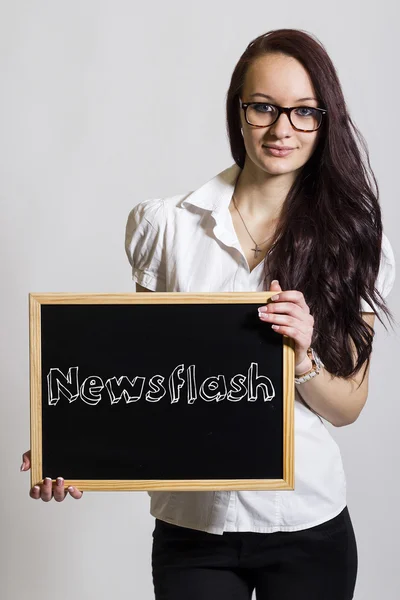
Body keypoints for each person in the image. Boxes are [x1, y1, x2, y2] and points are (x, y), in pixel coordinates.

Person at [21, 27, 395, 600]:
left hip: (306, 524)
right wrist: (69, 443)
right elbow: (146, 379)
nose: (281, 129)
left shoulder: (357, 242)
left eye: (304, 112)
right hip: (192, 527)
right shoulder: (166, 226)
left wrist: (302, 359)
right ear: (238, 111)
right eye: (264, 107)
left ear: (326, 121)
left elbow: (348, 407)